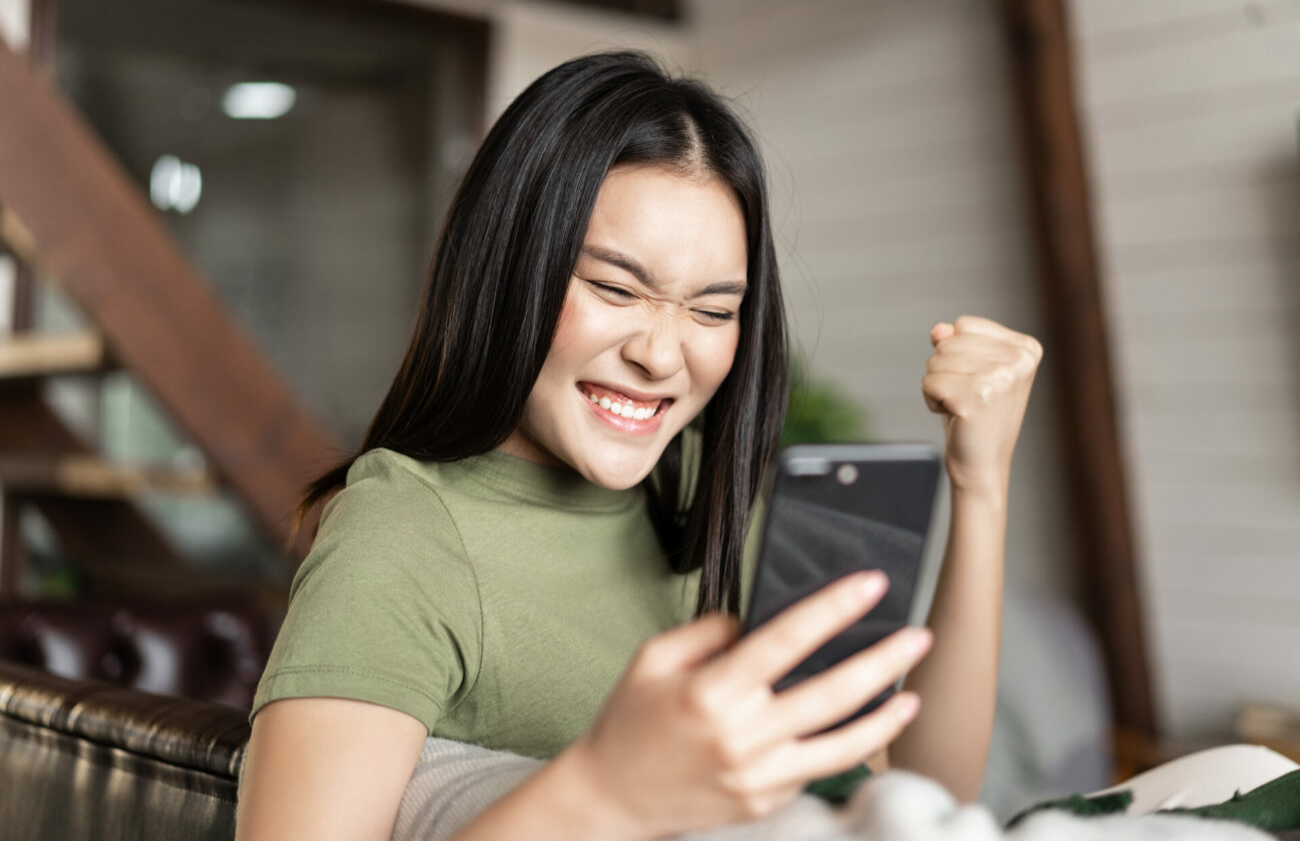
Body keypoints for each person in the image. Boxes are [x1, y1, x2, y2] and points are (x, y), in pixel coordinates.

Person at [233, 50, 1043, 840]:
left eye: (713, 311)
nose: (661, 354)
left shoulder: (711, 495)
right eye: (616, 288)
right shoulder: (402, 534)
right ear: (511, 270)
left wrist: (982, 482)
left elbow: (918, 799)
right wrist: (608, 789)